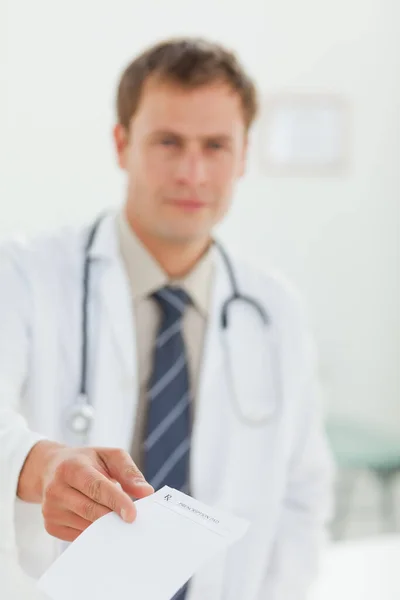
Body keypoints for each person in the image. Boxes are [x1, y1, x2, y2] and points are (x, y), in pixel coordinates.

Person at [0, 37, 334, 600]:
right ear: (121, 143)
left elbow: (303, 499)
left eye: (216, 146)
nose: (193, 172)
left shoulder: (275, 310)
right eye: (168, 142)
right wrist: (37, 463)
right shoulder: (26, 276)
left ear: (244, 155)